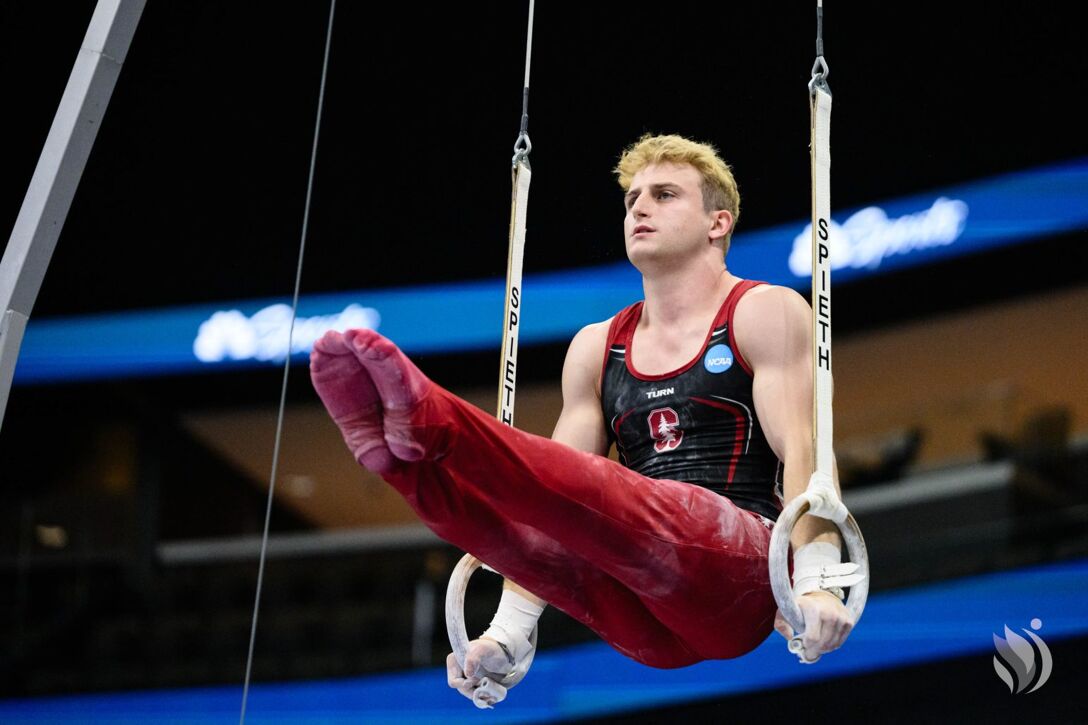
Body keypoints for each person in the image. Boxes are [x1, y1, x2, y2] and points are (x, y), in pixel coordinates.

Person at [310, 134, 855, 707]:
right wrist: (507, 633)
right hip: (642, 614)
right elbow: (548, 500)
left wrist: (817, 581)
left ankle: (431, 419)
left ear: (718, 223)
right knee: (530, 511)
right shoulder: (596, 348)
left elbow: (807, 453)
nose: (639, 208)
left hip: (738, 578)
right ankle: (402, 464)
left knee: (623, 496)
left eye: (664, 194)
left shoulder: (764, 312)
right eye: (632, 199)